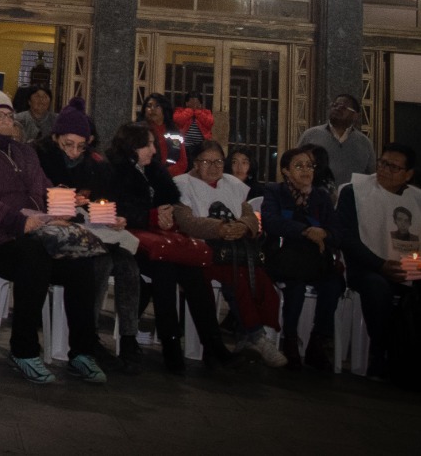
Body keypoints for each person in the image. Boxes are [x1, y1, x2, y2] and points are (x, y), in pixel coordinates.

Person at [0, 88, 116, 384]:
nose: (8, 120)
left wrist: (64, 209)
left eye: (10, 114)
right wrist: (17, 221)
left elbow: (46, 189)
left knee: (80, 258)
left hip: (35, 233)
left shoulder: (23, 151)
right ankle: (23, 349)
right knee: (33, 257)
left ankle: (82, 351)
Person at [337, 143, 421, 389]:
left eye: (394, 167)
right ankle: (381, 356)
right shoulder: (354, 192)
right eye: (383, 163)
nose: (385, 170)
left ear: (409, 174)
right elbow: (346, 237)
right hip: (370, 268)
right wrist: (380, 265)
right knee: (378, 289)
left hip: (413, 270)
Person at [104, 122, 230, 372]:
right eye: (148, 144)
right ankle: (171, 345)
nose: (154, 149)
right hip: (129, 241)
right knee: (164, 272)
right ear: (132, 147)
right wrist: (150, 216)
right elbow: (113, 209)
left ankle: (213, 345)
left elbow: (169, 200)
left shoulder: (153, 171)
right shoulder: (114, 171)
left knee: (193, 271)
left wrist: (168, 213)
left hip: (159, 240)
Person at [36, 98, 142, 369]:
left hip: (94, 233)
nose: (73, 152)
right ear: (55, 137)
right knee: (100, 262)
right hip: (55, 234)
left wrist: (113, 217)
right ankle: (89, 337)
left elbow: (107, 199)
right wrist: (65, 204)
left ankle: (128, 339)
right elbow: (35, 200)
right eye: (67, 145)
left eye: (80, 146)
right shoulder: (39, 157)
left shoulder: (96, 164)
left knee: (128, 265)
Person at [173, 139, 286, 367]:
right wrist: (219, 228)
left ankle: (248, 335)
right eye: (207, 161)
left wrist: (242, 227)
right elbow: (187, 222)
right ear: (195, 163)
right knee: (238, 277)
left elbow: (249, 216)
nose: (214, 167)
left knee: (260, 278)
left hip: (235, 249)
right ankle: (256, 336)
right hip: (201, 251)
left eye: (218, 161)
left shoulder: (233, 185)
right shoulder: (181, 184)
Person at [260, 146, 343, 370]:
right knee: (295, 285)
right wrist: (306, 231)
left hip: (315, 261)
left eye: (309, 166)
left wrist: (324, 233)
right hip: (285, 258)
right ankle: (290, 339)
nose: (306, 170)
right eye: (299, 166)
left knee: (334, 285)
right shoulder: (275, 192)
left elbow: (337, 231)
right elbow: (271, 221)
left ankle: (317, 340)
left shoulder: (321, 197)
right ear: (286, 171)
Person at [298, 93, 376, 187]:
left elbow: (371, 176)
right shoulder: (311, 135)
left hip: (351, 199)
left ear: (355, 115)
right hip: (315, 197)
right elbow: (296, 164)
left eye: (343, 107)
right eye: (334, 105)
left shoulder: (365, 143)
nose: (337, 108)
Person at [143, 93, 186, 175]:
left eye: (157, 106)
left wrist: (164, 174)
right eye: (149, 106)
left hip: (170, 177)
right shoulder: (140, 130)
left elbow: (183, 163)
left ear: (164, 108)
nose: (152, 109)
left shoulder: (175, 132)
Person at [172, 91, 220, 157]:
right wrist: (190, 111)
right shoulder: (180, 111)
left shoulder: (206, 112)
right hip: (184, 145)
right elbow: (178, 120)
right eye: (192, 102)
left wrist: (197, 112)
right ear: (186, 103)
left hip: (201, 145)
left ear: (200, 103)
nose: (194, 104)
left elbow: (210, 122)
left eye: (197, 102)